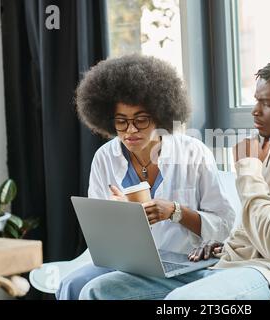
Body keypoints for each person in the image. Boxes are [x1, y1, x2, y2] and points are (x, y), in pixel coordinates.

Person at [79, 55, 270, 300]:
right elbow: (254, 225)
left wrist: (249, 170)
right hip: (236, 263)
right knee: (100, 291)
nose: (255, 111)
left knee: (180, 302)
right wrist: (227, 245)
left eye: (267, 104)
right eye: (256, 101)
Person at [56, 54, 236, 300]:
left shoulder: (193, 153)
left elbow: (224, 226)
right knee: (69, 285)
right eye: (121, 121)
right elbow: (98, 234)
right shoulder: (104, 157)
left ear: (160, 116)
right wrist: (116, 217)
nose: (130, 130)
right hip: (129, 261)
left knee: (94, 291)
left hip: (184, 263)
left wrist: (175, 211)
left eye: (141, 120)